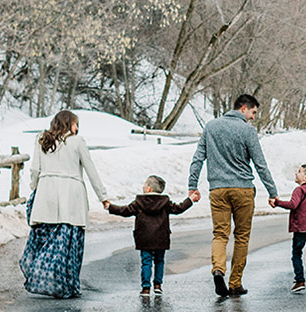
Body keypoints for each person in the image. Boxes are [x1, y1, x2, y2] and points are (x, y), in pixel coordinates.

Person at [188, 94, 277, 297]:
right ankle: (235, 283)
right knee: (241, 237)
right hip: (243, 190)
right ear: (243, 108)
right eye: (253, 112)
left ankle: (218, 269)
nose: (253, 117)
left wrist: (192, 185)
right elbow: (260, 164)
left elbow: (198, 158)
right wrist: (272, 192)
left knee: (220, 234)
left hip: (217, 190)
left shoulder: (211, 127)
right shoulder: (247, 131)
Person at [20, 110, 110, 298]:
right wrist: (103, 196)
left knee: (45, 239)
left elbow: (35, 169)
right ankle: (67, 285)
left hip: (46, 195)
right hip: (72, 197)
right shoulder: (77, 142)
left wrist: (35, 188)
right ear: (68, 124)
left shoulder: (41, 139)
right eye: (76, 124)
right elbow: (91, 169)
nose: (78, 128)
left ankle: (41, 273)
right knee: (69, 244)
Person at [107, 175, 193, 296]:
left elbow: (125, 211)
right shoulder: (165, 202)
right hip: (161, 238)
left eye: (145, 184)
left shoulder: (139, 202)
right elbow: (179, 208)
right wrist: (190, 200)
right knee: (159, 261)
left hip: (144, 238)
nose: (143, 186)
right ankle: (158, 285)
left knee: (146, 262)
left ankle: (146, 288)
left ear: (149, 189)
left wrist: (110, 207)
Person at [273, 164, 306, 295]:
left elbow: (292, 205)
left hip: (301, 229)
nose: (296, 173)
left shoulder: (299, 190)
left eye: (299, 172)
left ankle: (299, 281)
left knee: (296, 254)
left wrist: (277, 202)